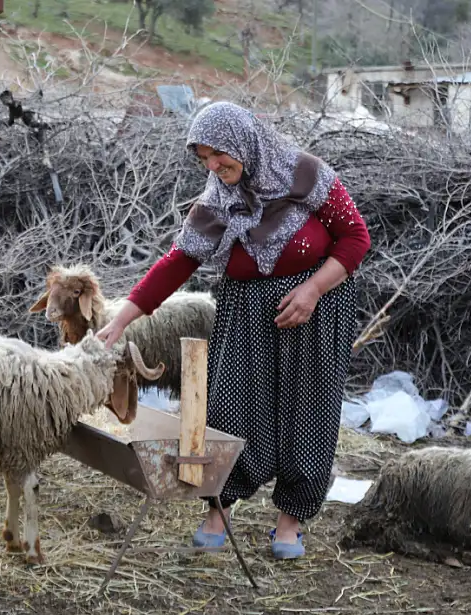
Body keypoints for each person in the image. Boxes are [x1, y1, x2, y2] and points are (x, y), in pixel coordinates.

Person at [96, 101, 371, 560]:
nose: (213, 167)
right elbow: (178, 261)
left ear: (244, 144)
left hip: (317, 306)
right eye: (203, 159)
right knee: (230, 405)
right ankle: (219, 508)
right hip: (245, 308)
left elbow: (355, 238)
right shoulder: (216, 200)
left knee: (310, 410)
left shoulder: (306, 174)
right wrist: (123, 318)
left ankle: (290, 521)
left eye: (219, 156)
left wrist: (312, 291)